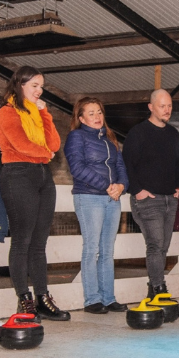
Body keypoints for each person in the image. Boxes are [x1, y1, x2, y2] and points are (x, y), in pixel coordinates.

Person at [0, 65, 69, 321]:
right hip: (18, 174)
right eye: (35, 85)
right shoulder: (7, 112)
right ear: (20, 85)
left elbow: (55, 144)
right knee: (22, 241)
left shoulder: (38, 111)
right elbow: (20, 144)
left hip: (41, 175)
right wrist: (45, 153)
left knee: (39, 244)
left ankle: (42, 297)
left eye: (41, 86)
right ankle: (24, 300)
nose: (40, 91)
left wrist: (45, 113)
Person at [64, 97, 129, 314]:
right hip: (89, 197)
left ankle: (108, 298)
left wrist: (121, 186)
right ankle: (92, 299)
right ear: (81, 118)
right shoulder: (76, 137)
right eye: (90, 113)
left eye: (99, 112)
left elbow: (121, 166)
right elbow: (77, 168)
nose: (96, 116)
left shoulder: (110, 139)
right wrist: (107, 186)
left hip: (112, 199)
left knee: (107, 251)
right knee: (91, 249)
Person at [122, 89, 179, 300]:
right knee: (156, 245)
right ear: (151, 107)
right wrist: (137, 190)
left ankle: (153, 288)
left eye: (169, 106)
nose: (167, 110)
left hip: (170, 199)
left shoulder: (173, 133)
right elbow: (127, 164)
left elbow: (178, 163)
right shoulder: (137, 133)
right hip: (148, 200)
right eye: (162, 106)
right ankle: (159, 288)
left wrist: (178, 187)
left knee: (163, 247)